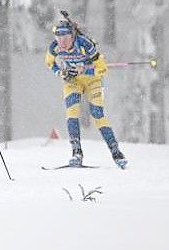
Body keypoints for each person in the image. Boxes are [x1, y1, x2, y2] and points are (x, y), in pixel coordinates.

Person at [45, 19, 127, 169]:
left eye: (65, 37)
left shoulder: (84, 44)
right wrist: (61, 73)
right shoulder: (54, 47)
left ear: (72, 35)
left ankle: (116, 152)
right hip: (73, 81)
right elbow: (50, 62)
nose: (62, 42)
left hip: (93, 80)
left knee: (97, 114)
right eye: (58, 37)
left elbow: (102, 69)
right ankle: (76, 153)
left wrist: (85, 70)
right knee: (72, 112)